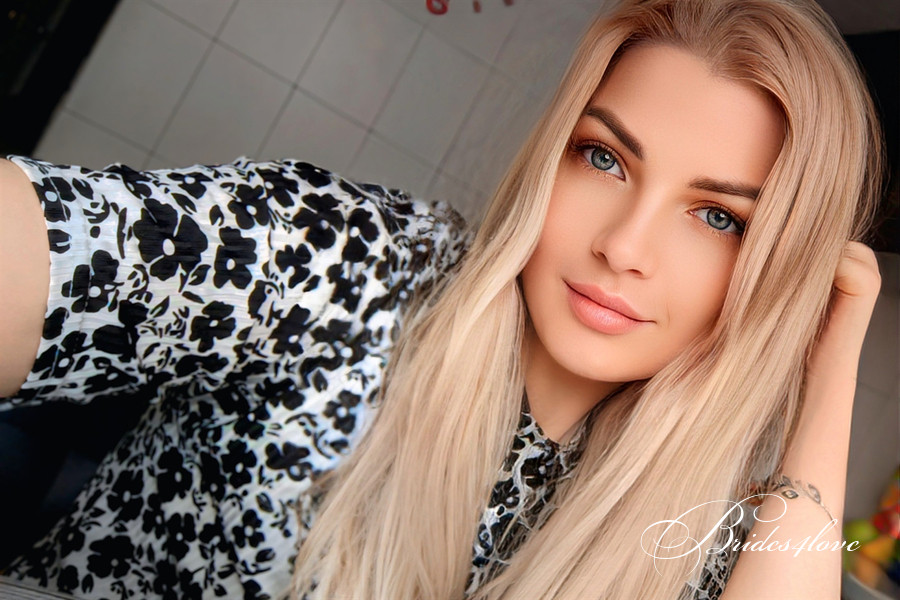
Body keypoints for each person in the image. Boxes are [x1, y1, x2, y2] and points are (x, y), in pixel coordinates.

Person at [0, 0, 885, 599]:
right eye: (603, 158)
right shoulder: (347, 261)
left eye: (719, 218)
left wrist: (829, 375)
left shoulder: (704, 532)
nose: (624, 246)